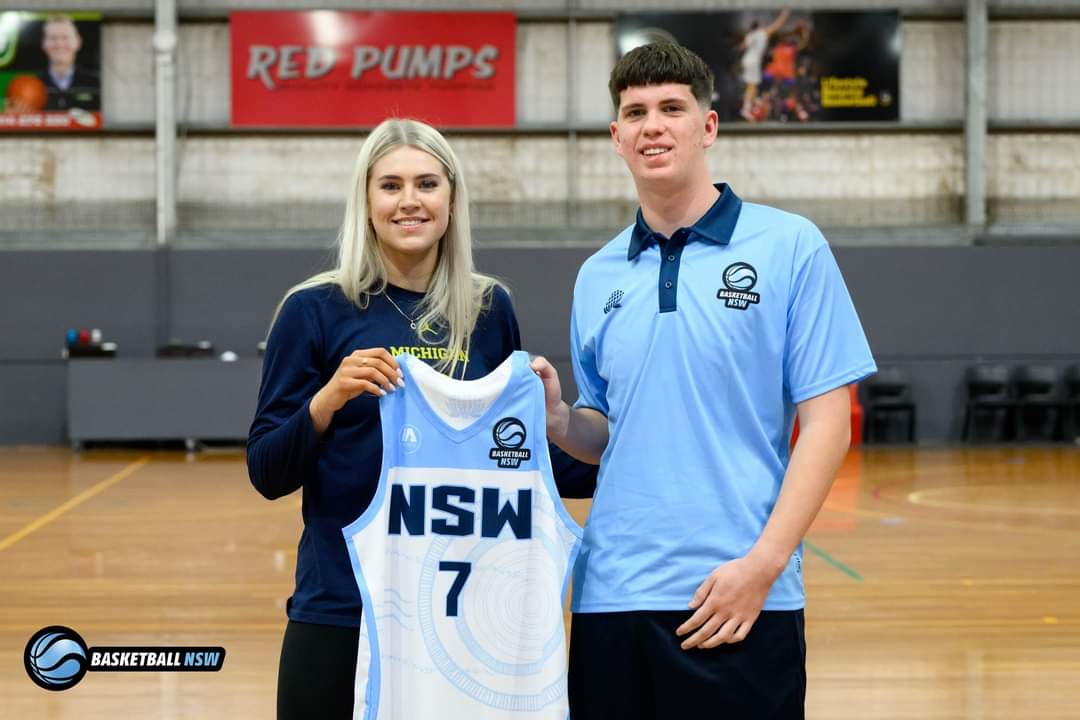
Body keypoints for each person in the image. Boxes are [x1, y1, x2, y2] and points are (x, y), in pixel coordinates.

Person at [530, 42, 876, 719]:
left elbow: (829, 425)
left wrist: (764, 566)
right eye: (635, 112)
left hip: (738, 593)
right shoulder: (598, 274)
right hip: (612, 594)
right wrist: (559, 422)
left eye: (671, 108)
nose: (652, 125)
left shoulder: (789, 246)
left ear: (707, 126)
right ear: (616, 138)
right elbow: (605, 431)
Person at [247, 118, 596, 719]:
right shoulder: (314, 309)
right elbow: (267, 470)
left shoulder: (489, 309)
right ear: (366, 200)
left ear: (452, 199)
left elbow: (513, 456)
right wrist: (327, 401)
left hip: (453, 620)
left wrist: (584, 438)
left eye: (427, 184)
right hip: (341, 606)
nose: (410, 200)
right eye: (390, 186)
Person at [38, 15, 99, 112]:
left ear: (78, 42)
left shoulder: (96, 85)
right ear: (43, 43)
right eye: (53, 38)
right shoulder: (34, 85)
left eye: (65, 37)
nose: (59, 43)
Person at [738, 9, 789, 121]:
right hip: (753, 61)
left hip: (746, 60)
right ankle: (745, 109)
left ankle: (752, 106)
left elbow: (742, 47)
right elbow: (778, 25)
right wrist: (785, 13)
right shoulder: (762, 33)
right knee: (751, 86)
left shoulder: (750, 35)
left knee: (753, 86)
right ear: (759, 26)